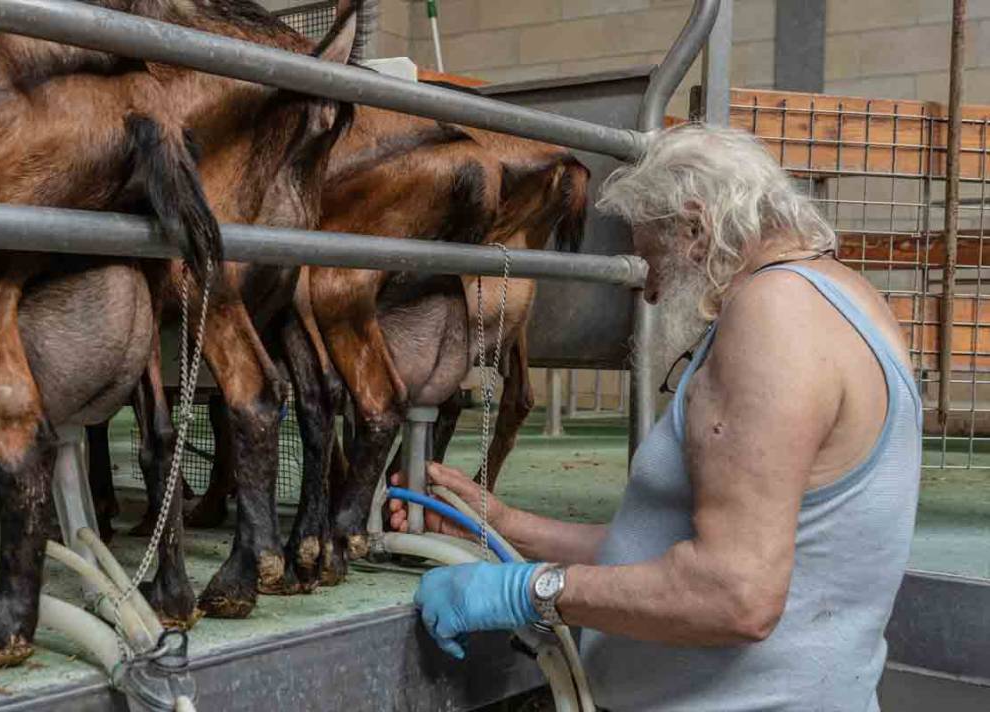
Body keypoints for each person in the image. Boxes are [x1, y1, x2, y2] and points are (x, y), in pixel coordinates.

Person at [389, 125, 921, 711]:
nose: (648, 294)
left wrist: (530, 589)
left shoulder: (773, 320)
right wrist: (504, 526)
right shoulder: (843, 296)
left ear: (696, 228)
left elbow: (733, 594)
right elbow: (674, 548)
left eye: (652, 260)